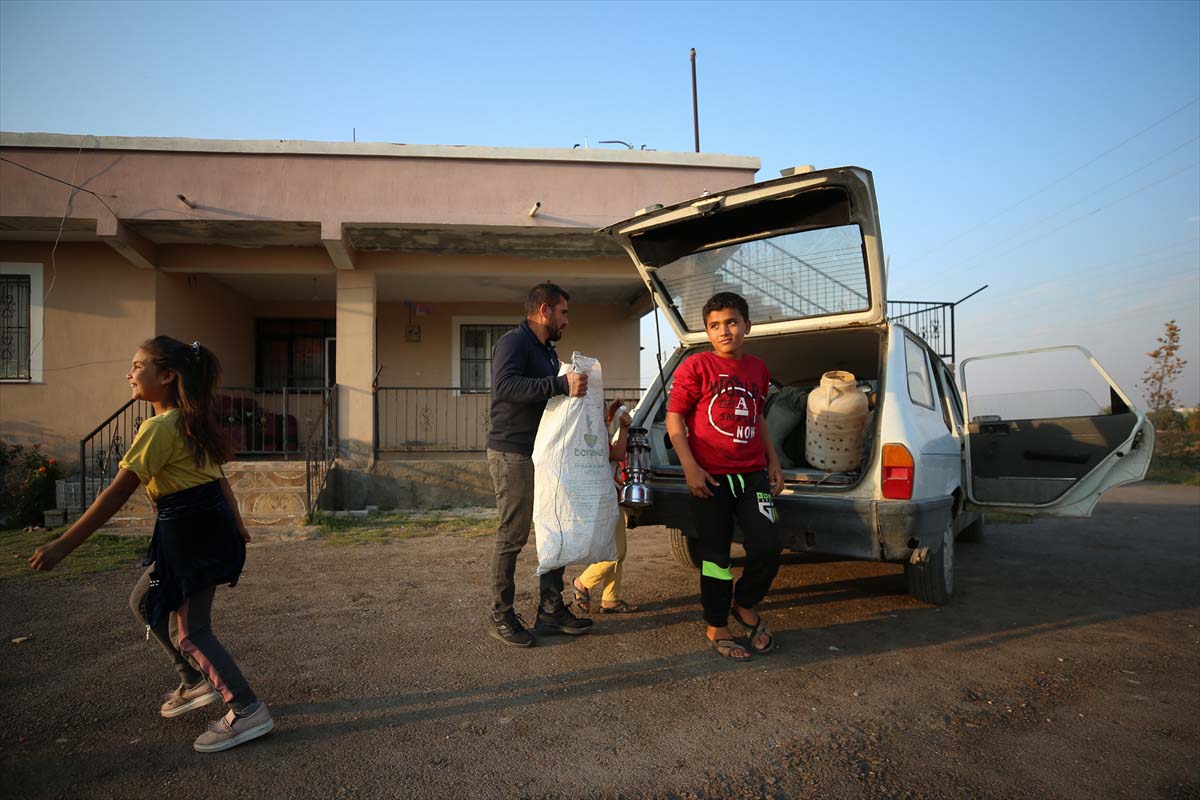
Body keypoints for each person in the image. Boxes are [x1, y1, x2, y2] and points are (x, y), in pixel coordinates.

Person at [29, 337, 273, 752]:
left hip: (193, 541)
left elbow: (117, 493)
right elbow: (219, 480)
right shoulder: (188, 423)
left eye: (138, 366)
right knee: (146, 601)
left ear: (167, 376)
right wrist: (236, 524)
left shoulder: (160, 428)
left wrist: (63, 545)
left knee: (192, 632)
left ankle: (247, 709)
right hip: (199, 537)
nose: (129, 374)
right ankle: (193, 680)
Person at [665, 292, 785, 661]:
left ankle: (744, 603)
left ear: (747, 325)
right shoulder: (696, 366)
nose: (724, 331)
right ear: (707, 331)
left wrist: (773, 461)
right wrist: (690, 466)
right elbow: (674, 417)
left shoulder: (758, 370)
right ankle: (716, 623)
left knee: (768, 547)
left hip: (753, 476)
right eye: (715, 325)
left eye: (731, 322)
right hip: (710, 479)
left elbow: (758, 417)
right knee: (716, 557)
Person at [487, 282, 591, 647]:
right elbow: (505, 387)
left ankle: (550, 610)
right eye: (563, 312)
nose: (566, 320)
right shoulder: (514, 343)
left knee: (554, 527)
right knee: (513, 535)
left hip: (544, 452)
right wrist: (559, 384)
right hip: (512, 453)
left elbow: (548, 395)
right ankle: (500, 614)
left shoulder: (548, 352)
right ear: (544, 310)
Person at [572, 398, 639, 614]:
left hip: (606, 496)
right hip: (605, 499)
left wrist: (611, 415)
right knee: (616, 552)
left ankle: (611, 598)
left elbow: (601, 433)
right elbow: (617, 454)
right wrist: (624, 428)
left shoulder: (587, 430)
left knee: (619, 550)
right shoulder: (592, 435)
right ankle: (583, 582)